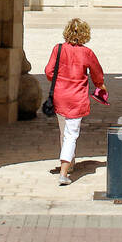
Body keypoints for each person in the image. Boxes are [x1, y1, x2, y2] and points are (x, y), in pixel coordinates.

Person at [44, 18, 106, 185]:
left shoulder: (58, 49)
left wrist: (61, 80)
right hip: (77, 97)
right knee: (71, 134)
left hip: (60, 96)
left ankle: (69, 164)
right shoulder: (87, 53)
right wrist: (101, 86)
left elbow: (49, 72)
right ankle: (64, 173)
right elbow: (97, 74)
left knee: (63, 132)